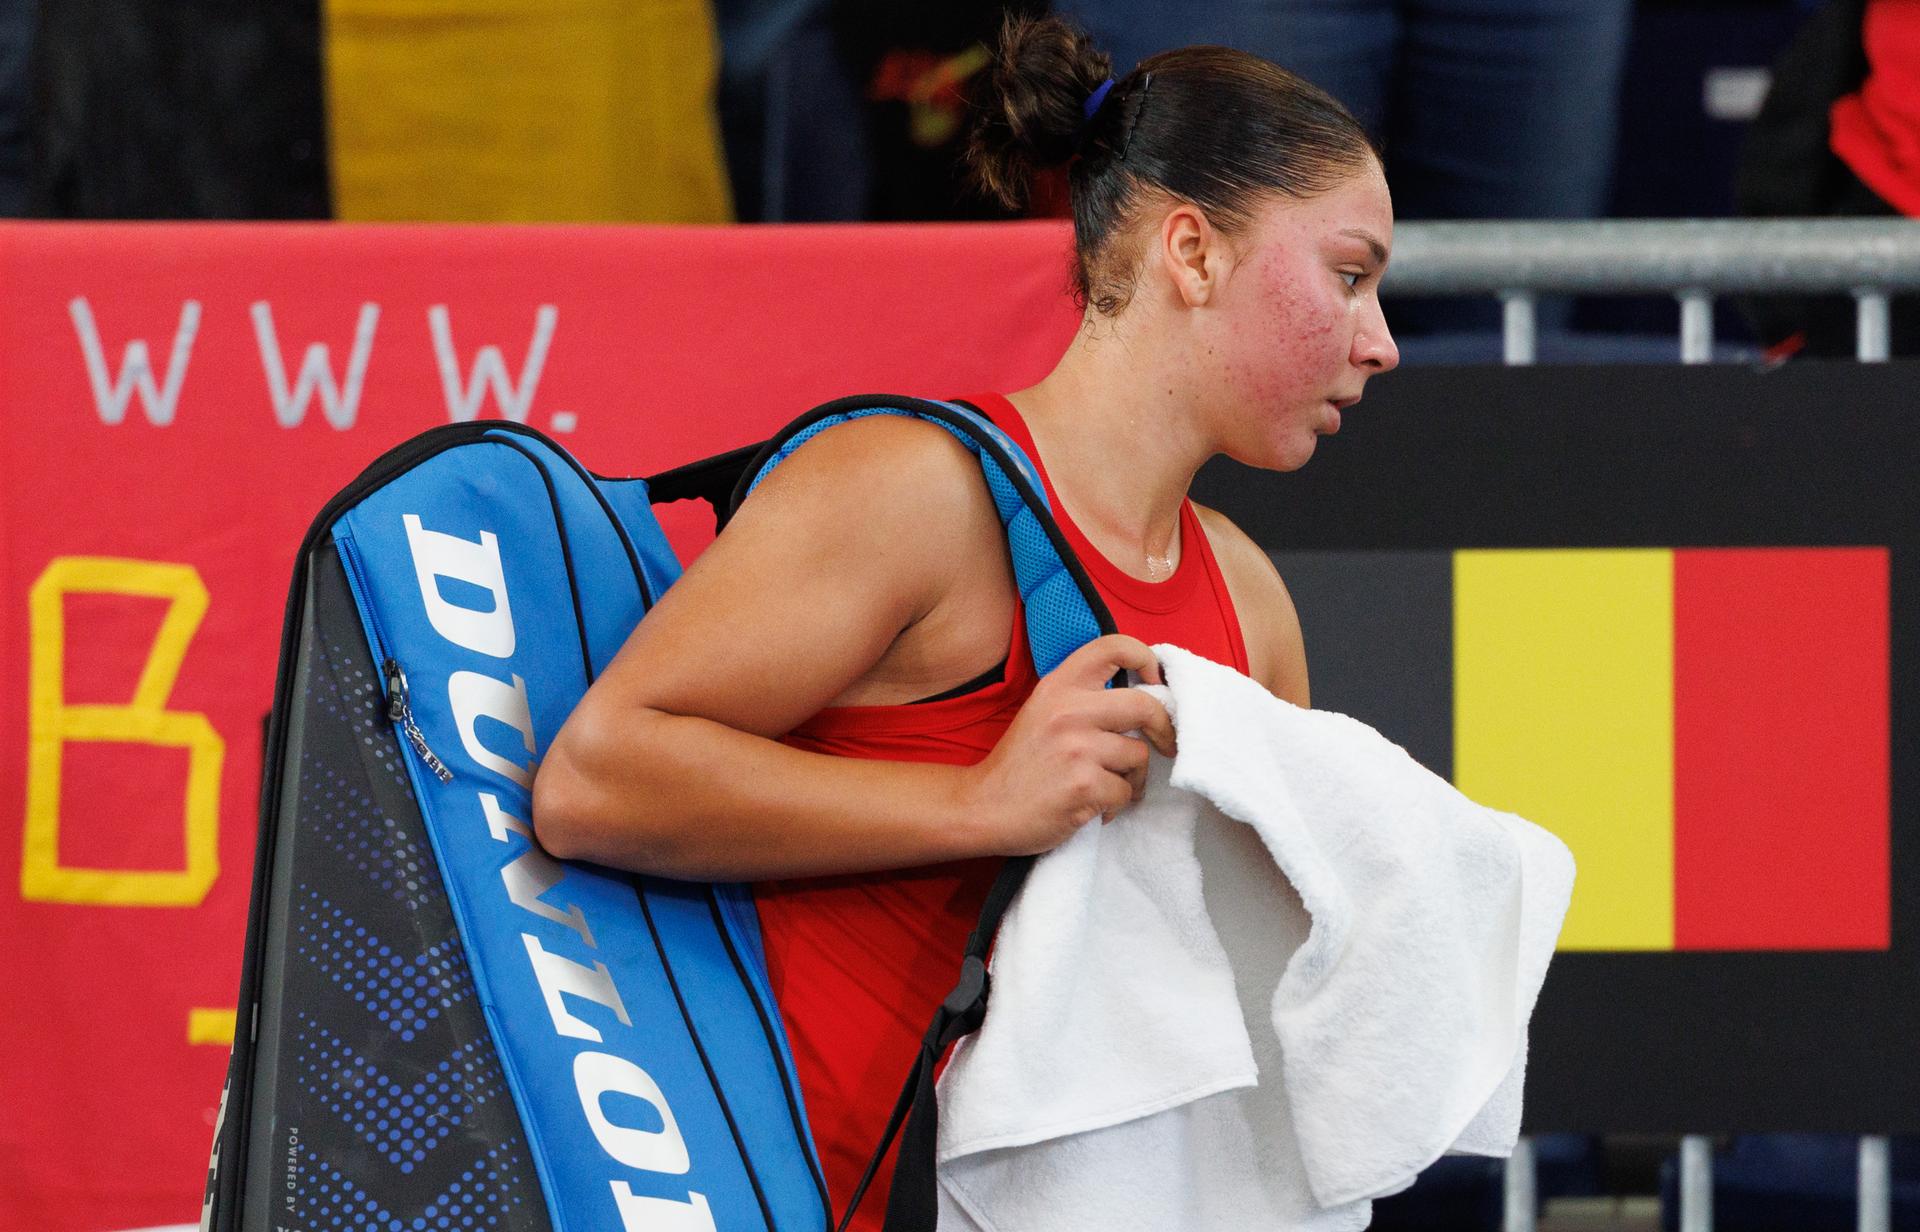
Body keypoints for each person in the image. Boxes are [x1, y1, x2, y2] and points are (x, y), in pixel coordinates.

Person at [530, 14, 1397, 1226]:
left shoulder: (1252, 596)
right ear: (1192, 252)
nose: (1382, 342)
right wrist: (978, 799)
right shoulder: (908, 489)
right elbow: (594, 776)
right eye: (1349, 275)